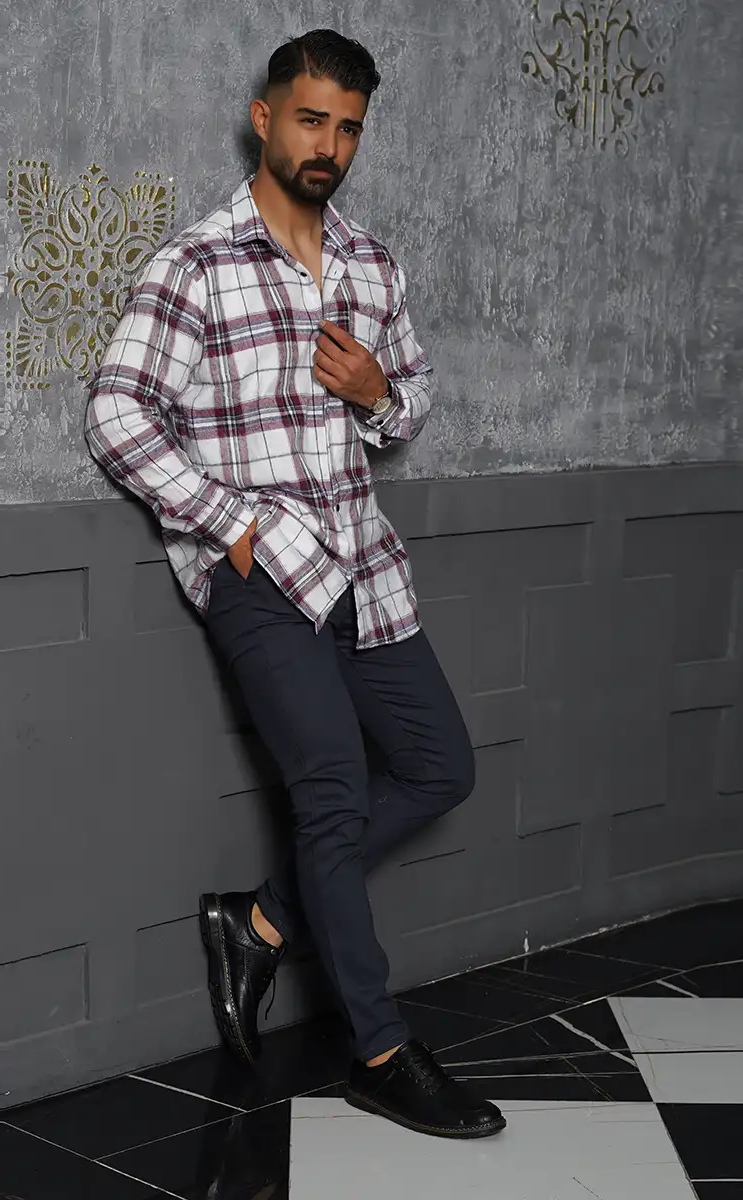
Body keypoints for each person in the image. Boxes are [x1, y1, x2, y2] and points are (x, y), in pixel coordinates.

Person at [85, 28, 505, 1140]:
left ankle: (260, 920)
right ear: (265, 118)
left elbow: (410, 405)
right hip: (264, 572)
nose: (329, 145)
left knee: (440, 766)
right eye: (311, 119)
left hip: (363, 561)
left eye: (348, 128)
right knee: (331, 791)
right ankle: (381, 1050)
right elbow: (118, 412)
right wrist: (229, 524)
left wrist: (375, 393)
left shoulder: (371, 265)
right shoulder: (196, 264)